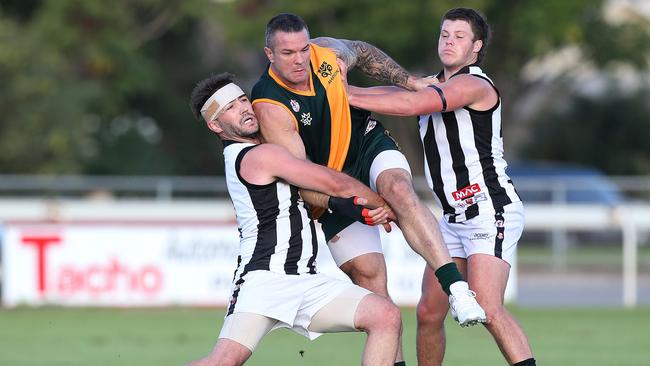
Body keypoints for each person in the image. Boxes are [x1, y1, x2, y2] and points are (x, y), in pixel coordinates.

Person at [251, 14, 485, 364]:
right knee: (371, 280)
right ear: (270, 54)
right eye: (288, 53)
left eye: (303, 49)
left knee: (398, 189)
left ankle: (457, 290)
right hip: (329, 183)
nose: (300, 60)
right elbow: (306, 180)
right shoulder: (270, 106)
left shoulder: (324, 53)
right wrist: (361, 207)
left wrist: (408, 81)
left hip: (366, 144)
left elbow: (360, 51)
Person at [346, 7, 536, 366]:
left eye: (459, 37)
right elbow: (402, 91)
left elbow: (412, 103)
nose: (449, 42)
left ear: (476, 47)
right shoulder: (430, 83)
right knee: (428, 313)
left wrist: (338, 93)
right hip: (452, 215)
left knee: (488, 307)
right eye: (445, 35)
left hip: (488, 207)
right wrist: (345, 89)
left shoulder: (475, 84)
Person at [186, 72, 402, 366]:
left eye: (243, 100)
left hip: (303, 279)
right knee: (221, 363)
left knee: (385, 316)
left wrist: (347, 205)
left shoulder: (255, 151)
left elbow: (312, 195)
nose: (245, 109)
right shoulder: (259, 156)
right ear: (215, 125)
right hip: (265, 280)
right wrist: (387, 204)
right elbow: (330, 182)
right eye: (231, 108)